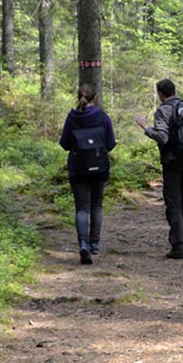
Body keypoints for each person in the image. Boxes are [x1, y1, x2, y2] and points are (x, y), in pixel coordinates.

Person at [134, 78, 183, 259]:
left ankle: (178, 246)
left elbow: (162, 137)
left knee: (174, 201)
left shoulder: (163, 111)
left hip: (173, 163)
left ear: (161, 94)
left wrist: (146, 127)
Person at [59, 84, 116, 265]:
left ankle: (82, 242)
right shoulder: (102, 117)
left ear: (78, 98)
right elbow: (111, 143)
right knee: (96, 206)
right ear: (95, 98)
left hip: (78, 168)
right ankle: (94, 244)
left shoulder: (72, 117)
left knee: (81, 208)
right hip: (100, 168)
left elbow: (65, 144)